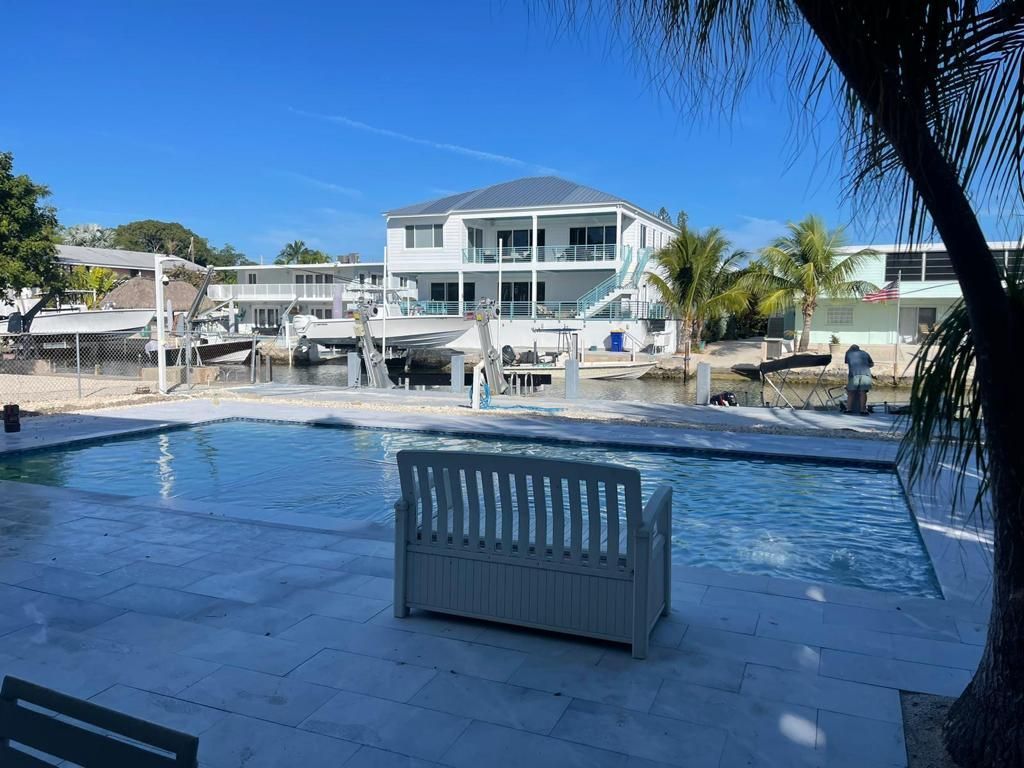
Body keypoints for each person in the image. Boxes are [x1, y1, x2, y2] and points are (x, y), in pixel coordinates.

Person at [844, 344, 874, 414]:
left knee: (851, 392)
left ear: (850, 349)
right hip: (866, 374)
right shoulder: (865, 353)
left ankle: (848, 409)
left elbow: (847, 362)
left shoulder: (848, 353)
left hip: (854, 375)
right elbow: (872, 364)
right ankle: (863, 410)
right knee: (863, 392)